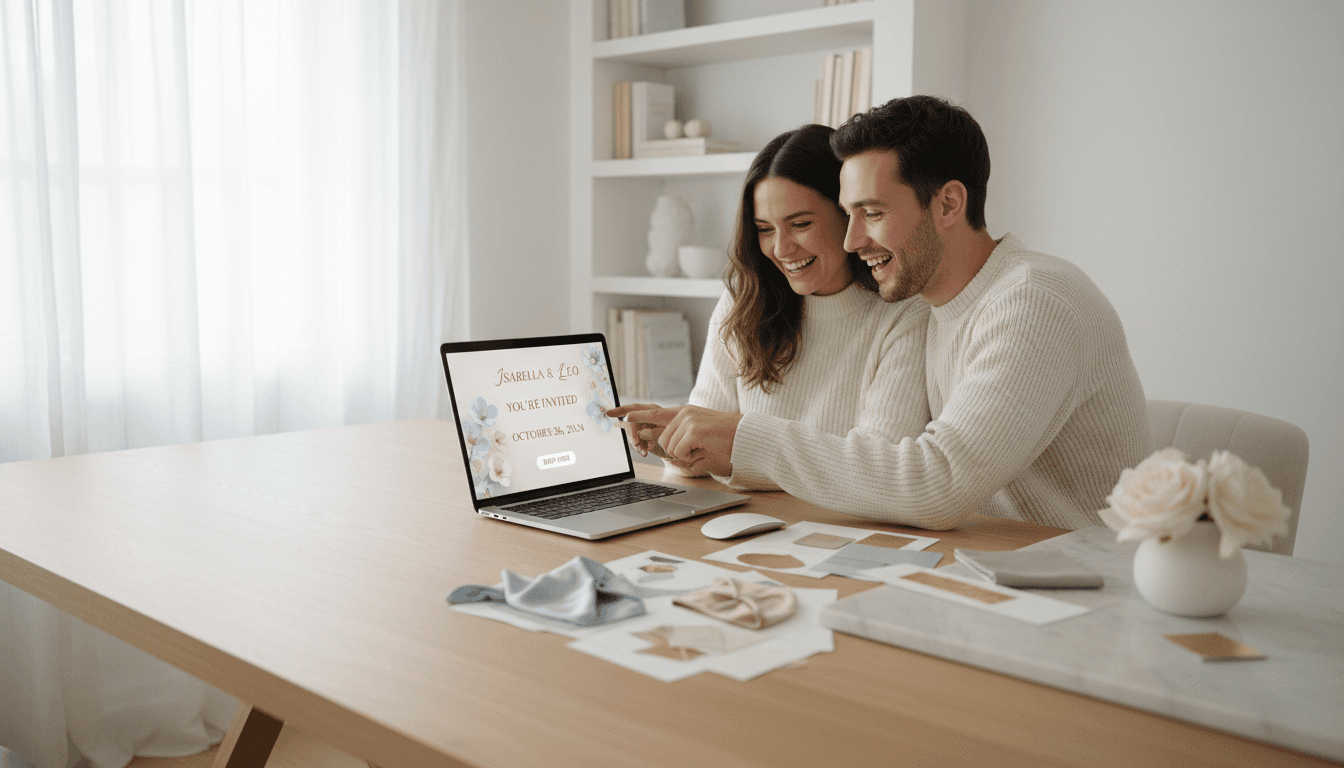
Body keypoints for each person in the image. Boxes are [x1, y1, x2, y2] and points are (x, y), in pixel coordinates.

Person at [631, 96, 1151, 530]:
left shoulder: (1033, 301)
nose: (854, 240)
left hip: (1083, 585)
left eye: (872, 214)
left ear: (948, 204)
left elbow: (936, 483)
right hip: (992, 565)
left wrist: (745, 438)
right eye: (850, 214)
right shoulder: (939, 305)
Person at [606, 124, 930, 490]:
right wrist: (671, 441)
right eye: (764, 229)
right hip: (754, 524)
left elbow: (877, 470)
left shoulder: (903, 313)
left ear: (847, 214)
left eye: (800, 224)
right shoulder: (742, 302)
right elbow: (704, 457)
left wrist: (739, 440)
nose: (781, 249)